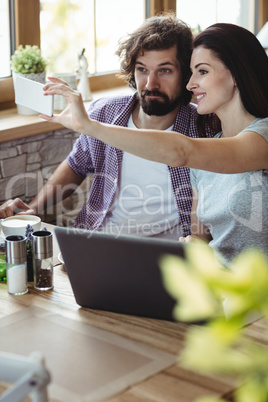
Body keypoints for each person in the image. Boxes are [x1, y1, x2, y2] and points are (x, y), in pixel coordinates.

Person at [39, 23, 268, 264]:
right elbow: (200, 239)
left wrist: (89, 126)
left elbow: (182, 151)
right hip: (214, 287)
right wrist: (194, 245)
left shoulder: (260, 135)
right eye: (192, 72)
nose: (191, 84)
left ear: (236, 74)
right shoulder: (208, 149)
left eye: (202, 71)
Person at [0, 13, 217, 239]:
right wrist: (34, 208)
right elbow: (75, 165)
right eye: (142, 69)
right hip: (101, 242)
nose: (150, 84)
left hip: (168, 254)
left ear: (185, 75)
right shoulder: (105, 113)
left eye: (165, 70)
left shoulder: (203, 126)